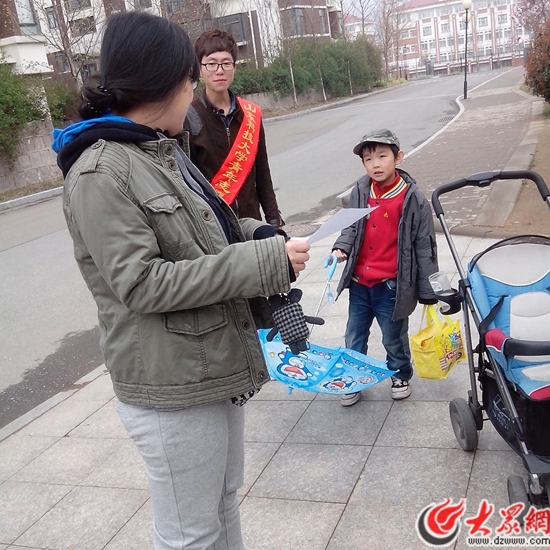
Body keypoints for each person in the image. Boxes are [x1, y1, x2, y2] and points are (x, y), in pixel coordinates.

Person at [51, 11, 310, 550]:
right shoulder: (101, 171)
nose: (194, 90)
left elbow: (208, 229)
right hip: (170, 384)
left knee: (222, 503)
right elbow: (143, 283)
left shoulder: (157, 151)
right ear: (163, 82)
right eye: (190, 78)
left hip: (208, 366)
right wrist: (264, 264)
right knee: (188, 534)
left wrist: (261, 233)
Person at [330, 129, 438, 406]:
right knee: (354, 334)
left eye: (382, 156)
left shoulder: (413, 199)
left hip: (391, 286)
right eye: (368, 159)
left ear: (398, 157)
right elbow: (350, 226)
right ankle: (353, 377)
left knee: (393, 337)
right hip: (359, 282)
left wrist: (430, 290)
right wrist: (341, 248)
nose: (375, 164)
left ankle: (400, 374)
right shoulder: (360, 191)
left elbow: (424, 246)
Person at [183, 29, 284, 227]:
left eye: (226, 63)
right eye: (211, 63)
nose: (219, 70)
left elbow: (263, 175)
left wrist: (274, 223)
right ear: (199, 69)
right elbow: (187, 183)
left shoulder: (251, 114)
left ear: (235, 67)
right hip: (214, 228)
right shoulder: (189, 117)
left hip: (252, 226)